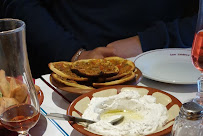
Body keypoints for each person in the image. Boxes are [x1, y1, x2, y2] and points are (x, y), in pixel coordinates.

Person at [1, 0, 198, 78]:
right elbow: (19, 4)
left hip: (171, 64)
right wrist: (74, 54)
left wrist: (148, 41)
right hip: (73, 70)